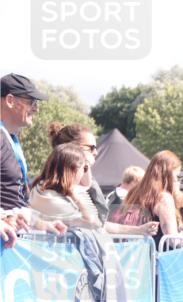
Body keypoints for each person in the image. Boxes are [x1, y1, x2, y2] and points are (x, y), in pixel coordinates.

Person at [47, 122, 157, 237]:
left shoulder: (86, 186)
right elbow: (86, 224)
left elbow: (100, 225)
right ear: (73, 149)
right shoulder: (55, 187)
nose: (96, 152)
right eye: (91, 148)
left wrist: (138, 230)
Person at [0, 74, 66, 236]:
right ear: (10, 101)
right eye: (31, 102)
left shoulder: (10, 139)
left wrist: (40, 223)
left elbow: (15, 199)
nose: (36, 109)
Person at [110, 150, 183, 248]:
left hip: (134, 255)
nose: (176, 180)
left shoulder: (135, 192)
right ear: (168, 173)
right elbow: (173, 241)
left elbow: (146, 225)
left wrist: (177, 229)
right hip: (155, 257)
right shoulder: (163, 197)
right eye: (177, 175)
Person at [28, 144, 101, 227]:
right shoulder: (55, 200)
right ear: (74, 170)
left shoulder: (38, 190)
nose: (84, 173)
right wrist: (77, 200)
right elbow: (94, 224)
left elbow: (87, 185)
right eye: (84, 168)